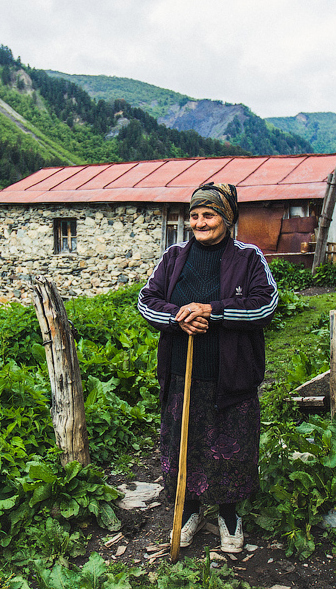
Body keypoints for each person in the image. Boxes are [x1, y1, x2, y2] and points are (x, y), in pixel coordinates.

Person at [137, 182, 279, 553]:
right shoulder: (174, 256)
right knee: (186, 444)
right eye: (195, 215)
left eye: (209, 215)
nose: (200, 222)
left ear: (227, 218)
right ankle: (190, 511)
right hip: (182, 373)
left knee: (231, 449)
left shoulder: (248, 257)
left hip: (231, 375)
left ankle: (229, 515)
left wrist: (213, 311)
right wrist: (178, 317)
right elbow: (147, 301)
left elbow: (265, 305)